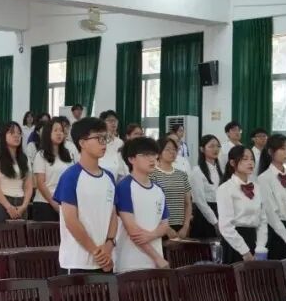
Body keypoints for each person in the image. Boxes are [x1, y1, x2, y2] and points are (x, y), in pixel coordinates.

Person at [52, 117, 117, 274]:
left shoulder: (109, 177)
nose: (103, 143)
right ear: (82, 143)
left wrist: (109, 245)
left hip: (106, 259)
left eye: (105, 138)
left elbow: (113, 215)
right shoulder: (70, 177)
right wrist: (96, 252)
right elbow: (71, 221)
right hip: (77, 261)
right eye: (98, 138)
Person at [114, 137, 171, 272]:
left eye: (154, 154)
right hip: (130, 264)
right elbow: (133, 230)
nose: (152, 159)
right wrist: (158, 258)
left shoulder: (158, 190)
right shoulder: (124, 187)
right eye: (145, 155)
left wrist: (152, 235)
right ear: (131, 159)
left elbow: (165, 225)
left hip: (156, 264)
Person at [217, 146, 267, 264]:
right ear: (232, 163)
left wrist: (260, 247)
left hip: (254, 241)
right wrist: (245, 251)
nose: (250, 162)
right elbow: (225, 226)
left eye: (252, 159)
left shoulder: (257, 188)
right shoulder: (225, 189)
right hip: (234, 243)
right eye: (245, 159)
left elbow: (262, 219)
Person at [0, 122, 33, 222]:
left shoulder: (25, 159)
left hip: (20, 203)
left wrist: (24, 205)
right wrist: (8, 206)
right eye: (12, 133)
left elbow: (28, 186)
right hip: (1, 203)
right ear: (3, 136)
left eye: (19, 133)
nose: (16, 136)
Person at [256, 134, 286, 261]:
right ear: (271, 152)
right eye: (282, 148)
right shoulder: (264, 178)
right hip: (277, 233)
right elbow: (271, 214)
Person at [32, 117, 74, 222]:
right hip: (45, 203)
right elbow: (40, 183)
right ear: (48, 133)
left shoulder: (68, 154)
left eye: (61, 131)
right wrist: (53, 203)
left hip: (65, 203)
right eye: (55, 130)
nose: (59, 133)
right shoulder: (41, 155)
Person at [151, 135, 192, 239]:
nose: (172, 152)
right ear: (159, 152)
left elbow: (188, 203)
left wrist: (186, 226)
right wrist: (167, 228)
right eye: (168, 149)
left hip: (181, 226)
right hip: (160, 226)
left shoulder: (182, 175)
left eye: (174, 149)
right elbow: (152, 204)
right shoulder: (152, 174)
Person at [189, 134, 222, 240]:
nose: (215, 149)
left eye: (217, 146)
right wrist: (215, 222)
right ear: (202, 149)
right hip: (204, 216)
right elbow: (200, 201)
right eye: (211, 146)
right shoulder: (197, 171)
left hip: (220, 211)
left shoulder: (220, 170)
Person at [98, 110, 126, 178]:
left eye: (115, 121)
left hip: (117, 176)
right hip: (101, 174)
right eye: (110, 121)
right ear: (102, 123)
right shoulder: (98, 140)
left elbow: (121, 162)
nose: (113, 123)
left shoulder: (120, 142)